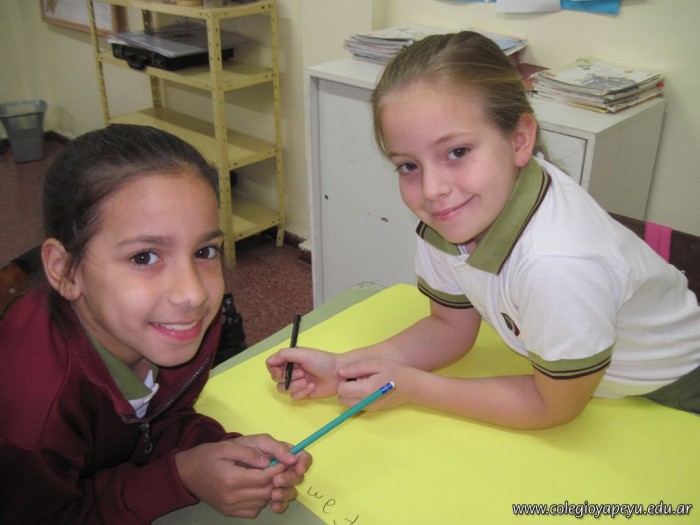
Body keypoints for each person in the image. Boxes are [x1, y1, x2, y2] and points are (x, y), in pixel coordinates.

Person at [267, 31, 700, 430]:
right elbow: (448, 328)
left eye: (457, 152)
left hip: (675, 387)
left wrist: (414, 387)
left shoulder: (557, 264)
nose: (432, 190)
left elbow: (553, 407)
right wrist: (343, 367)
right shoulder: (452, 219)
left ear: (519, 140)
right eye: (409, 165)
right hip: (586, 377)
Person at [0, 124, 311, 524]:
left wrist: (215, 451)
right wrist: (180, 477)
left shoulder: (172, 326)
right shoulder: (33, 415)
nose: (193, 293)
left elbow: (160, 416)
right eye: (144, 257)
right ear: (65, 271)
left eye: (205, 251)